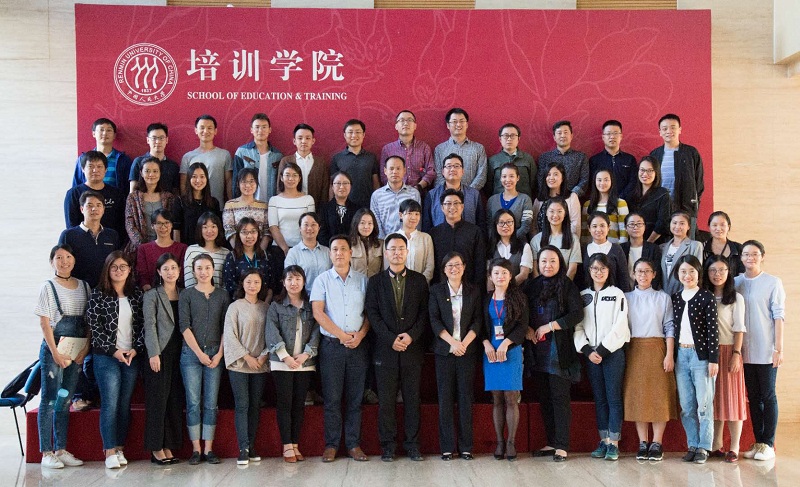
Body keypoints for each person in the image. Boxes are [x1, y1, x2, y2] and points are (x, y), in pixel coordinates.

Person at [365, 234, 429, 462]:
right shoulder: (375, 282)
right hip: (385, 349)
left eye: (401, 248)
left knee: (412, 400)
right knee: (386, 401)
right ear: (386, 253)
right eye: (392, 249)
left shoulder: (419, 280)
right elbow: (372, 314)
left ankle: (413, 445)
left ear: (407, 252)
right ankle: (388, 446)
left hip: (412, 349)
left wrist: (411, 336)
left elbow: (425, 314)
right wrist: (391, 338)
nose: (397, 253)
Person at [310, 235, 370, 463]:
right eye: (335, 249)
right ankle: (332, 445)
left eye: (343, 249)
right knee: (332, 399)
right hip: (332, 346)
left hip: (358, 346)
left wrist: (360, 335)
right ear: (330, 253)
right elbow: (318, 313)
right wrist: (341, 335)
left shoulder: (363, 280)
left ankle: (354, 445)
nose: (339, 253)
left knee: (355, 399)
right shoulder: (322, 280)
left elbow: (369, 313)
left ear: (350, 253)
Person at [86, 251, 144, 469]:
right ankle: (109, 450)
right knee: (110, 403)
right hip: (106, 357)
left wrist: (136, 349)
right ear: (107, 270)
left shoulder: (136, 295)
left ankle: (120, 447)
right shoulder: (98, 294)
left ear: (129, 270)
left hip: (131, 356)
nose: (119, 271)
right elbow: (95, 328)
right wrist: (114, 351)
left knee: (124, 404)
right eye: (114, 267)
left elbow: (143, 325)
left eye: (123, 267)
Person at [35, 244, 91, 469]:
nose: (64, 261)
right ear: (52, 262)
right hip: (54, 351)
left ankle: (61, 448)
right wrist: (55, 353)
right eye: (59, 257)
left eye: (68, 257)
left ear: (74, 260)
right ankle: (46, 452)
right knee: (49, 399)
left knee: (65, 399)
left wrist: (84, 350)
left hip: (76, 351)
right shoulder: (48, 287)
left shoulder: (84, 286)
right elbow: (44, 323)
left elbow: (89, 321)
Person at [525, 245, 583, 462]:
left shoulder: (567, 285)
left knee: (560, 398)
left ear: (560, 263)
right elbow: (522, 312)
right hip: (537, 351)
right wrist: (527, 328)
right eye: (543, 261)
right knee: (545, 398)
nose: (547, 265)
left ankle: (562, 445)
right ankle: (551, 442)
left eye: (552, 261)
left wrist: (550, 326)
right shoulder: (532, 286)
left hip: (559, 351)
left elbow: (576, 314)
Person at [574, 253, 630, 461]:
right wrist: (588, 351)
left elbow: (620, 325)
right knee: (600, 399)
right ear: (589, 270)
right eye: (595, 268)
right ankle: (604, 441)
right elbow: (578, 326)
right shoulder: (582, 295)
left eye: (603, 268)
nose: (599, 272)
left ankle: (614, 443)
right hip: (591, 356)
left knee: (613, 398)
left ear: (609, 271)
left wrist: (603, 350)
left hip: (612, 354)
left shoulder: (617, 294)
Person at [735, 240, 786, 461]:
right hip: (744, 349)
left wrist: (778, 348)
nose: (750, 258)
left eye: (755, 254)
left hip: (766, 348)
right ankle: (758, 442)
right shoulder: (736, 282)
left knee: (768, 395)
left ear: (762, 256)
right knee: (753, 397)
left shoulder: (773, 282)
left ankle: (769, 443)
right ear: (741, 257)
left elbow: (779, 316)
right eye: (746, 254)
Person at [429, 252, 482, 461]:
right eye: (450, 265)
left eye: (458, 264)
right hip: (444, 352)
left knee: (465, 398)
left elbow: (477, 321)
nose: (454, 268)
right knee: (445, 399)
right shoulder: (436, 291)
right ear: (444, 269)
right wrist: (452, 343)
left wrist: (464, 344)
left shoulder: (473, 291)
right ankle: (447, 447)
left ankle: (466, 447)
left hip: (467, 351)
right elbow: (434, 320)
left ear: (464, 267)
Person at [623, 258, 677, 462]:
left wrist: (669, 354)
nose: (643, 275)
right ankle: (642, 442)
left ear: (654, 274)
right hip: (634, 348)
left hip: (657, 348)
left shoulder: (663, 298)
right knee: (638, 396)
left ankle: (657, 443)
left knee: (658, 396)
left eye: (647, 271)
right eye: (639, 271)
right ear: (633, 274)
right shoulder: (626, 298)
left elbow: (669, 326)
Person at [265, 266, 320, 463]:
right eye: (289, 279)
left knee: (299, 404)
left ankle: (295, 444)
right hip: (282, 363)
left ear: (304, 282)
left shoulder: (310, 306)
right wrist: (285, 357)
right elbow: (271, 331)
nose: (293, 283)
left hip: (305, 362)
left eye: (297, 279)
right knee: (285, 402)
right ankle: (286, 445)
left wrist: (306, 354)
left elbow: (317, 331)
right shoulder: (276, 306)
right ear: (283, 282)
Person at [180, 253, 231, 465]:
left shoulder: (222, 295)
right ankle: (196, 449)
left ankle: (209, 449)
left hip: (215, 353)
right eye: (199, 268)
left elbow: (226, 327)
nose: (203, 272)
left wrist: (219, 354)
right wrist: (200, 354)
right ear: (193, 272)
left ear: (213, 270)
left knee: (211, 403)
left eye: (207, 268)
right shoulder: (186, 294)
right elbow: (184, 327)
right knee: (193, 402)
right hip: (191, 354)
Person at [671, 255, 719, 464]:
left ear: (698, 273)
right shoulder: (675, 298)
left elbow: (713, 331)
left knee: (704, 405)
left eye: (691, 271)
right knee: (686, 405)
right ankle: (692, 443)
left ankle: (704, 446)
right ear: (678, 274)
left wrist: (713, 359)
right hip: (681, 356)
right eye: (683, 271)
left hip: (702, 357)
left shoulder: (706, 297)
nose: (687, 275)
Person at [482, 258, 528, 461]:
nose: (500, 276)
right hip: (491, 351)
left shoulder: (519, 297)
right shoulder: (486, 298)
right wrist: (486, 343)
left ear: (511, 276)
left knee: (511, 397)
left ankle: (511, 442)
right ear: (490, 276)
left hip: (511, 350)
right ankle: (499, 442)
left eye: (504, 273)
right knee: (497, 398)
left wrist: (507, 343)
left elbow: (522, 325)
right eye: (496, 273)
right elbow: (479, 324)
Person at [223, 269, 270, 465]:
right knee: (242, 405)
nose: (252, 285)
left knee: (255, 405)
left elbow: (272, 334)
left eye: (256, 282)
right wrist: (246, 356)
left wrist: (264, 355)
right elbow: (229, 335)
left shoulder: (266, 307)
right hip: (240, 364)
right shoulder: (235, 307)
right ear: (242, 284)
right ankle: (243, 448)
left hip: (260, 363)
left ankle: (252, 445)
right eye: (248, 281)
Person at [142, 253, 184, 465]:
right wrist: (153, 353)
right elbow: (149, 326)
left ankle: (168, 445)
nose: (170, 272)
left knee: (173, 400)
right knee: (158, 400)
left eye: (173, 268)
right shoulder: (152, 295)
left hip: (181, 353)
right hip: (160, 352)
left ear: (179, 271)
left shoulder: (184, 293)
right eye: (165, 268)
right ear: (159, 272)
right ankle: (156, 448)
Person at [705, 255, 747, 463]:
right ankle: (716, 445)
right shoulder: (703, 296)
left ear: (729, 272)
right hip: (709, 353)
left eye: (722, 270)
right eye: (713, 270)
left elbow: (739, 328)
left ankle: (734, 447)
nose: (717, 274)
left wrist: (736, 354)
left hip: (729, 351)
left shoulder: (736, 298)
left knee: (733, 400)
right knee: (715, 400)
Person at [649, 114, 704, 238]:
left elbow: (699, 184)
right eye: (665, 128)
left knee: (688, 244)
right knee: (663, 244)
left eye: (673, 127)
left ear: (680, 129)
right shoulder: (655, 155)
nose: (669, 131)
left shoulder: (691, 153)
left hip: (686, 208)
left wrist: (693, 205)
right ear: (660, 132)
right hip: (661, 209)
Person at [59, 189, 120, 288]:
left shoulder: (112, 235)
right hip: (77, 289)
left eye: (98, 205)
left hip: (106, 290)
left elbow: (116, 263)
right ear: (82, 209)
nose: (94, 209)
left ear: (103, 209)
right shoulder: (68, 235)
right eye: (89, 205)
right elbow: (60, 265)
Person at [64, 150, 126, 240]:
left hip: (111, 242)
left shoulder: (116, 194)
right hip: (81, 242)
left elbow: (122, 223)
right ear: (83, 169)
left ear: (106, 169)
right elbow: (71, 224)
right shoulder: (73, 193)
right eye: (91, 166)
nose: (95, 170)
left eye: (99, 166)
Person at [430, 189, 486, 286]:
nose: (452, 207)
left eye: (456, 203)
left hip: (469, 286)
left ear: (462, 207)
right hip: (440, 287)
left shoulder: (474, 231)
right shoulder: (434, 233)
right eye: (448, 203)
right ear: (442, 207)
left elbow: (480, 263)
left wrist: (477, 288)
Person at [125, 156, 176, 254]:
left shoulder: (169, 197)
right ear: (141, 173)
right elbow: (129, 224)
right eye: (147, 171)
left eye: (155, 171)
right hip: (139, 249)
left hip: (164, 247)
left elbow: (172, 223)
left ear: (160, 173)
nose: (151, 174)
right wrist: (143, 246)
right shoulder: (133, 197)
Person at [423, 153, 485, 232]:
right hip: (439, 238)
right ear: (443, 171)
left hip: (469, 238)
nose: (452, 169)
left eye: (456, 166)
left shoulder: (474, 195)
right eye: (449, 166)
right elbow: (426, 224)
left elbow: (481, 223)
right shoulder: (432, 195)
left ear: (462, 171)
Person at [179, 115, 232, 205]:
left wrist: (231, 204)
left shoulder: (224, 155)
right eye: (202, 128)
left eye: (209, 128)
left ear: (215, 131)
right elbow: (183, 184)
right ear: (196, 130)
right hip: (194, 207)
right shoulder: (187, 157)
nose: (206, 131)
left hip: (217, 206)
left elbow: (229, 182)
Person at [223, 217, 279, 302]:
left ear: (258, 234)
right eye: (245, 232)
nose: (249, 236)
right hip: (240, 304)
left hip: (264, 304)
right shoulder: (232, 257)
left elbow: (272, 284)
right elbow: (230, 285)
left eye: (253, 232)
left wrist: (265, 304)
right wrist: (246, 304)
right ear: (238, 235)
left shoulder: (266, 256)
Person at [231, 113, 284, 201]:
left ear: (270, 130)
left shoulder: (278, 155)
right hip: (248, 203)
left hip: (271, 203)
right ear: (251, 130)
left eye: (264, 127)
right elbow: (235, 181)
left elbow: (281, 183)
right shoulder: (242, 152)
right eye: (257, 127)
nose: (260, 130)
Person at [380, 110, 436, 193]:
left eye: (410, 120)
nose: (406, 123)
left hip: (420, 193)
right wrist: (397, 189)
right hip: (394, 194)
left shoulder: (424, 148)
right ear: (396, 126)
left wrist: (418, 187)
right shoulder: (387, 149)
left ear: (415, 126)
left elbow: (431, 172)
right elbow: (383, 175)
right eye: (402, 120)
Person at [330, 119, 380, 210]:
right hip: (344, 206)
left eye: (358, 132)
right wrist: (332, 207)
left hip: (367, 206)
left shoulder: (371, 157)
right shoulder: (337, 158)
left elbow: (376, 184)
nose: (354, 135)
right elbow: (332, 186)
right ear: (345, 135)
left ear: (363, 135)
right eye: (350, 132)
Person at [433, 108, 488, 190]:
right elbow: (438, 176)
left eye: (462, 121)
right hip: (446, 196)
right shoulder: (440, 149)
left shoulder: (478, 148)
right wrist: (450, 193)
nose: (458, 125)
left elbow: (481, 175)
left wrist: (468, 193)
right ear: (448, 125)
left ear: (467, 124)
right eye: (454, 121)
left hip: (471, 195)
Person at [277, 123, 329, 208]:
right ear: (294, 141)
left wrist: (321, 211)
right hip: (289, 207)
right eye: (300, 138)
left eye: (308, 138)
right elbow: (280, 187)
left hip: (314, 209)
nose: (304, 141)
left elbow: (324, 190)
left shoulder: (321, 163)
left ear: (313, 141)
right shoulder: (286, 161)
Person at [269, 162, 316, 255]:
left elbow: (310, 225)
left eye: (295, 175)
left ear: (299, 178)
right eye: (287, 175)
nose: (291, 179)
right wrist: (285, 249)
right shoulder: (274, 200)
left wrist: (301, 248)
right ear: (281, 178)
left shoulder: (308, 199)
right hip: (279, 248)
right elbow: (273, 227)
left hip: (303, 248)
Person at [72, 118, 132, 190]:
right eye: (101, 130)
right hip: (88, 196)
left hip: (114, 197)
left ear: (114, 135)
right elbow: (76, 186)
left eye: (109, 130)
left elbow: (127, 187)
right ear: (94, 133)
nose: (105, 133)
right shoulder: (83, 158)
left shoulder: (123, 159)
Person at [371, 155, 421, 239]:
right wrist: (384, 242)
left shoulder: (414, 193)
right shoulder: (377, 195)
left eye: (398, 168)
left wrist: (413, 239)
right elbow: (376, 221)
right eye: (391, 168)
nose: (394, 172)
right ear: (385, 171)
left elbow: (418, 220)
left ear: (404, 171)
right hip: (384, 242)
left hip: (410, 241)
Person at [530, 198, 581, 280]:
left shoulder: (573, 239)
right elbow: (535, 270)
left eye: (559, 211)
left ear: (565, 213)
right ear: (546, 213)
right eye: (552, 211)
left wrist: (562, 286)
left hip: (564, 284)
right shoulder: (536, 240)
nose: (555, 215)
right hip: (541, 285)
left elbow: (572, 269)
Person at [136, 209, 187, 291]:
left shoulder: (182, 248)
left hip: (177, 292)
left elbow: (183, 274)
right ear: (152, 226)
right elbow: (143, 276)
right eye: (159, 223)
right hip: (152, 293)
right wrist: (151, 293)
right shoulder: (143, 249)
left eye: (166, 223)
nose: (163, 227)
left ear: (171, 225)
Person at [537, 120, 589, 199]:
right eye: (559, 133)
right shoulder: (544, 157)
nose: (562, 135)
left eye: (565, 132)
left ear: (571, 136)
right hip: (549, 199)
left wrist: (572, 195)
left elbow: (584, 180)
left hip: (572, 199)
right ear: (554, 137)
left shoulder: (581, 157)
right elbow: (541, 180)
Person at [174, 162, 222, 246]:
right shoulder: (180, 201)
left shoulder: (214, 202)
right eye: (194, 177)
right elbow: (176, 229)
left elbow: (218, 228)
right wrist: (178, 249)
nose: (198, 180)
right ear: (189, 179)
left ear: (206, 179)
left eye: (202, 176)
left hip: (209, 248)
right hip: (187, 248)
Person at [581, 212, 631, 292]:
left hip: (613, 296)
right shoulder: (583, 250)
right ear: (589, 228)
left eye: (602, 226)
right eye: (594, 226)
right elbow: (579, 278)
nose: (598, 230)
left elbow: (623, 277)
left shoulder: (616, 249)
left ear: (608, 227)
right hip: (588, 296)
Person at [588, 120, 638, 199]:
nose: (612, 137)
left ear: (621, 136)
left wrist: (620, 198)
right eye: (608, 134)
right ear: (603, 137)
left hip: (625, 202)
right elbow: (592, 184)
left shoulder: (630, 159)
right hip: (602, 202)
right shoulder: (594, 160)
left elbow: (633, 182)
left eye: (615, 133)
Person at [627, 156, 671, 244]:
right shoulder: (630, 193)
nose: (645, 174)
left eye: (650, 171)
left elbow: (662, 223)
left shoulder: (662, 194)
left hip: (655, 243)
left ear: (656, 173)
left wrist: (648, 243)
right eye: (642, 170)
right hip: (633, 243)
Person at [285, 212, 332, 292]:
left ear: (319, 228)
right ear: (300, 228)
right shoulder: (293, 253)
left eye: (313, 225)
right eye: (306, 225)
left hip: (326, 295)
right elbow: (289, 278)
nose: (309, 228)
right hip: (303, 297)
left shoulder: (327, 252)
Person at [486, 123, 536, 199]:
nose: (509, 139)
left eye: (512, 136)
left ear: (518, 139)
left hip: (523, 202)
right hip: (499, 202)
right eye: (506, 136)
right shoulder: (493, 160)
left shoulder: (528, 159)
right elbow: (488, 186)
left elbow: (534, 183)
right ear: (500, 139)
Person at [222, 168, 270, 248]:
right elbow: (229, 230)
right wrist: (240, 251)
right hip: (238, 250)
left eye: (251, 181)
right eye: (244, 182)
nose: (248, 185)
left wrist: (260, 252)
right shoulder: (230, 205)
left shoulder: (264, 205)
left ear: (257, 183)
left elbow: (267, 231)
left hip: (260, 249)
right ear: (238, 184)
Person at [129, 123, 180, 194]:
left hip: (167, 201)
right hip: (142, 200)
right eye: (154, 138)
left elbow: (176, 192)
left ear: (166, 140)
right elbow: (132, 191)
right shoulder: (138, 162)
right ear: (148, 140)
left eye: (161, 138)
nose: (158, 142)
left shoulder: (173, 166)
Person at [580, 169, 629, 244]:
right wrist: (584, 247)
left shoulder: (620, 203)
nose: (602, 183)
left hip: (613, 248)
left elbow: (624, 230)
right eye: (599, 180)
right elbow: (584, 230)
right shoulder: (587, 205)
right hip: (592, 248)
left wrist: (619, 248)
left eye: (606, 180)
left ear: (611, 181)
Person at [660, 211, 703, 295]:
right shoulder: (662, 247)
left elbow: (697, 273)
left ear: (689, 226)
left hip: (685, 294)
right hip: (664, 295)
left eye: (682, 223)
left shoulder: (695, 246)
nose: (677, 226)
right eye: (674, 223)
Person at [532, 161, 581, 236]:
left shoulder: (571, 197)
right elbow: (533, 226)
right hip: (541, 241)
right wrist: (537, 241)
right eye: (548, 175)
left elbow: (575, 224)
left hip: (565, 241)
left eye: (555, 174)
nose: (551, 178)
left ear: (562, 178)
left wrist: (567, 241)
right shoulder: (539, 200)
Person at [183, 212, 230, 289]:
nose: (209, 231)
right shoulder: (191, 250)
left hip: (220, 295)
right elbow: (189, 281)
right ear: (199, 229)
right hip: (196, 295)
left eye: (213, 226)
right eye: (205, 227)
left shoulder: (226, 253)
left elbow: (227, 282)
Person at [486, 163, 533, 239]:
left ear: (517, 178)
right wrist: (498, 240)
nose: (507, 180)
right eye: (504, 176)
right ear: (500, 178)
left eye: (511, 176)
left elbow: (526, 225)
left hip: (518, 242)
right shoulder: (492, 200)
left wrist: (509, 240)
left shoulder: (525, 199)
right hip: (496, 242)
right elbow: (489, 225)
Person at [488, 209, 533, 286]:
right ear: (495, 225)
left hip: (518, 290)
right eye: (501, 223)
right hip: (496, 291)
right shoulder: (490, 247)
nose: (505, 226)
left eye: (509, 222)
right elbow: (488, 274)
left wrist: (505, 287)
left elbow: (524, 274)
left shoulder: (524, 246)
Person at [318, 171, 360, 247]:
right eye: (338, 183)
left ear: (350, 186)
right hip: (329, 250)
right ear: (332, 187)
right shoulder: (324, 209)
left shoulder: (357, 210)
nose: (341, 187)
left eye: (345, 183)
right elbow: (322, 234)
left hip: (352, 250)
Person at [621, 213, 662, 289]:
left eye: (639, 224)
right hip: (624, 291)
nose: (635, 227)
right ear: (626, 228)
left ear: (644, 227)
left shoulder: (654, 249)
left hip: (647, 291)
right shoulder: (621, 249)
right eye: (632, 224)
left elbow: (657, 274)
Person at [397, 199, 434, 283]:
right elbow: (388, 266)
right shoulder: (392, 238)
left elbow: (430, 266)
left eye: (417, 214)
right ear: (401, 215)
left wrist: (419, 283)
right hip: (397, 285)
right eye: (409, 213)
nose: (413, 217)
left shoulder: (426, 238)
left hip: (421, 285)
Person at [703, 211, 745, 276]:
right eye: (714, 225)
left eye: (722, 225)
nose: (718, 228)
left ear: (728, 227)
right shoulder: (702, 248)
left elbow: (743, 274)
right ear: (709, 227)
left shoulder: (739, 248)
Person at [349, 208, 384, 278]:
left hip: (375, 283)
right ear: (356, 224)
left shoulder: (381, 244)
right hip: (355, 283)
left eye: (370, 223)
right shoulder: (349, 244)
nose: (366, 226)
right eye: (362, 223)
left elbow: (383, 269)